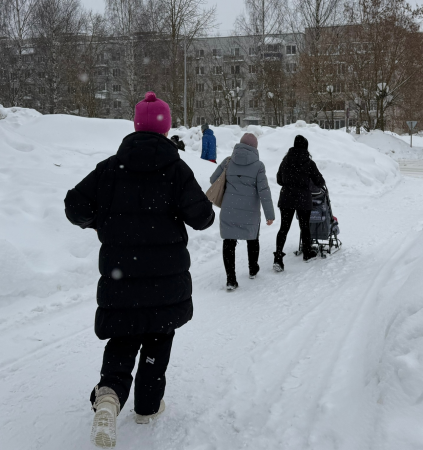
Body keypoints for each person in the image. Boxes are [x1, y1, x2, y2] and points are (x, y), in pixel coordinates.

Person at [64, 91, 215, 449]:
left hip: (121, 279)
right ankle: (147, 406)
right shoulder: (177, 169)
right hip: (165, 282)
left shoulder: (110, 168)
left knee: (123, 337)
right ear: (166, 128)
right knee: (158, 338)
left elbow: (75, 206)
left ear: (135, 126)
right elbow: (203, 218)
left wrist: (102, 220)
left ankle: (110, 396)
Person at [210, 133, 275, 290]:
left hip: (229, 210)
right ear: (255, 148)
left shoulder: (228, 161)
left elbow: (213, 179)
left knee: (229, 242)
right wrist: (269, 215)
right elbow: (264, 191)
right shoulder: (258, 166)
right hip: (250, 212)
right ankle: (253, 268)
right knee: (252, 238)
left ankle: (231, 279)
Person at [273, 135, 326, 271]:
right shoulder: (308, 162)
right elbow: (319, 181)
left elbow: (279, 180)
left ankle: (278, 258)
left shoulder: (285, 160)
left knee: (284, 228)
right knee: (304, 226)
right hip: (303, 199)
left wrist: (290, 182)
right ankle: (307, 253)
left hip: (286, 198)